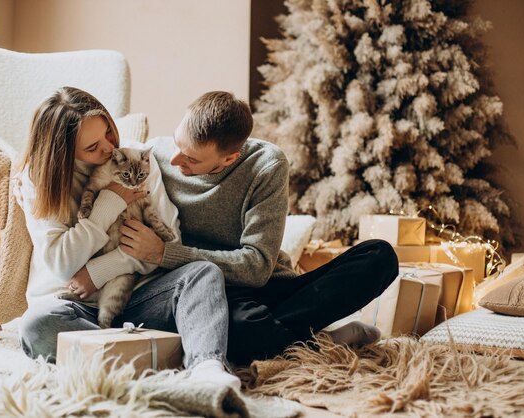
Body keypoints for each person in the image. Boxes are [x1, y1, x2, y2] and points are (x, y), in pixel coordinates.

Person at [118, 91, 400, 365]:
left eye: (191, 159)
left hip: (266, 283)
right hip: (212, 295)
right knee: (239, 331)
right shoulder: (153, 156)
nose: (176, 159)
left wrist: (164, 253)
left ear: (229, 158)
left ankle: (284, 335)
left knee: (380, 256)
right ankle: (321, 340)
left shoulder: (266, 165)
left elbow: (257, 266)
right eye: (178, 143)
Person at [16, 86, 239, 388]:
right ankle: (149, 361)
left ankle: (207, 370)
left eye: (108, 132)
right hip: (75, 306)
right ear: (64, 154)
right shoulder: (39, 180)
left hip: (140, 297)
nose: (108, 148)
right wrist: (110, 202)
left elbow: (169, 242)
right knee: (36, 325)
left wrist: (101, 269)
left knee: (203, 273)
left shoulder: (135, 157)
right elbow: (62, 265)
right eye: (92, 147)